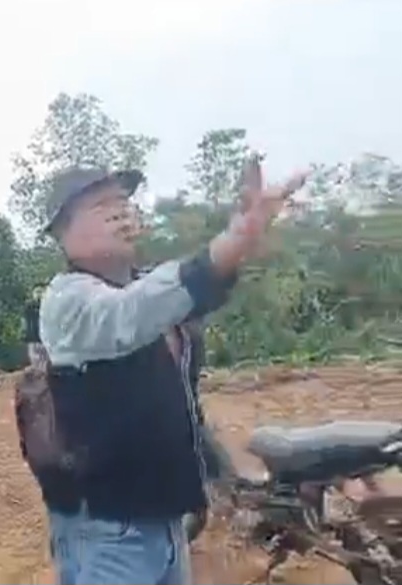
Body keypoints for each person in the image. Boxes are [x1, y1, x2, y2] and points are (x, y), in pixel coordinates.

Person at [31, 159, 306, 585]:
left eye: (123, 201)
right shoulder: (69, 300)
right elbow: (136, 311)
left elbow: (183, 301)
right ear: (61, 233)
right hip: (108, 532)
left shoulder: (144, 287)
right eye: (102, 206)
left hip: (165, 521)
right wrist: (235, 237)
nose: (121, 212)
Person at [23, 286, 46, 368]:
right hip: (33, 338)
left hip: (44, 339)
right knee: (35, 361)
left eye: (41, 292)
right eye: (37, 292)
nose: (39, 295)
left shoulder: (48, 306)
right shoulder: (30, 306)